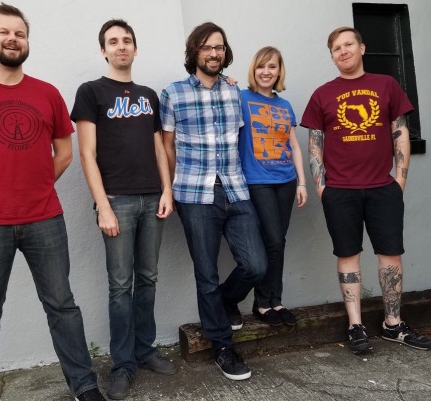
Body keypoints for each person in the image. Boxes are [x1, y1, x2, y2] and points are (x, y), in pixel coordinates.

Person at [0, 3, 104, 401]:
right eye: (4, 32)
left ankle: (84, 386)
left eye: (19, 34)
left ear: (27, 41)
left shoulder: (47, 93)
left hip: (44, 218)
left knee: (62, 305)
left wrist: (36, 186)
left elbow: (64, 152)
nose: (12, 39)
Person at [300, 26, 431, 354]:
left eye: (348, 44)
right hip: (339, 191)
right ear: (332, 56)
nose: (343, 51)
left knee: (390, 255)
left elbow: (400, 133)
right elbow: (315, 144)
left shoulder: (386, 85)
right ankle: (355, 326)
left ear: (362, 48)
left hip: (382, 188)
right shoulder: (322, 94)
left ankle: (393, 324)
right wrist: (322, 187)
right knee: (347, 256)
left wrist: (399, 180)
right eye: (336, 48)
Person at [70, 19, 176, 400]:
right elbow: (87, 153)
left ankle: (145, 350)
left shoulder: (148, 95)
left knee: (148, 277)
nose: (121, 46)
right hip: (117, 201)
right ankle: (123, 364)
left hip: (152, 198)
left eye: (127, 40)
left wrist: (167, 190)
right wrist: (103, 206)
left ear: (135, 48)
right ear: (103, 50)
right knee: (120, 286)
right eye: (113, 41)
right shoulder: (91, 92)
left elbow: (158, 147)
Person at [160, 22, 267, 381]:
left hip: (235, 188)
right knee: (205, 273)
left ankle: (223, 301)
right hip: (194, 194)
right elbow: (166, 147)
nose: (214, 53)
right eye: (206, 47)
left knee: (256, 265)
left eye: (219, 47)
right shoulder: (173, 93)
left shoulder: (236, 92)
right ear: (195, 51)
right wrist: (170, 189)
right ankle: (222, 346)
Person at [238, 47, 308, 327]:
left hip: (286, 180)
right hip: (257, 181)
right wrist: (225, 82)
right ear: (253, 70)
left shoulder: (285, 105)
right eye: (261, 66)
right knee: (273, 240)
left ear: (279, 71)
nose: (266, 72)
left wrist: (302, 182)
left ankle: (274, 301)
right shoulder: (241, 98)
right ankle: (263, 304)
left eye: (272, 67)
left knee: (279, 241)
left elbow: (294, 146)